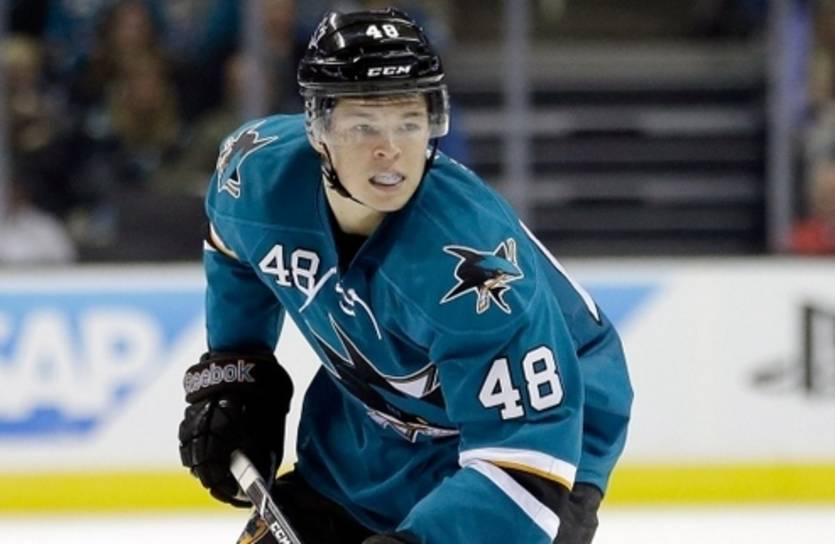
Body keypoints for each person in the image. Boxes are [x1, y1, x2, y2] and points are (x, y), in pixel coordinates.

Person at [177, 8, 632, 544]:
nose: (390, 149)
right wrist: (241, 367)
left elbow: (526, 469)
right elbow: (233, 245)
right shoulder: (258, 174)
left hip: (549, 426)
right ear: (318, 127)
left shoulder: (479, 274)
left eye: (409, 123)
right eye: (363, 125)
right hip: (373, 429)